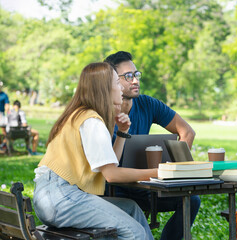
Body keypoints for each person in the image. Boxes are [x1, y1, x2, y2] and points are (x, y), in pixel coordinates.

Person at [33, 62, 156, 240]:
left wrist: (121, 133)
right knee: (134, 232)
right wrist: (158, 173)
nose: (120, 87)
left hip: (52, 197)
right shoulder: (92, 122)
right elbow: (112, 175)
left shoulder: (81, 114)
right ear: (104, 89)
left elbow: (109, 163)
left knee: (131, 208)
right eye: (116, 82)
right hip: (61, 198)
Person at [104, 51, 200, 240]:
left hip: (145, 186)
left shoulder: (148, 104)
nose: (135, 81)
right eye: (128, 76)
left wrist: (173, 169)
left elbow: (187, 132)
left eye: (136, 74)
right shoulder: (99, 112)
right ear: (111, 81)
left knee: (191, 201)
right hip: (111, 189)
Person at [0, 81, 10, 151]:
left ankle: (4, 145)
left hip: (1, 114)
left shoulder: (4, 95)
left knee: (4, 131)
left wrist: (7, 112)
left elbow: (7, 105)